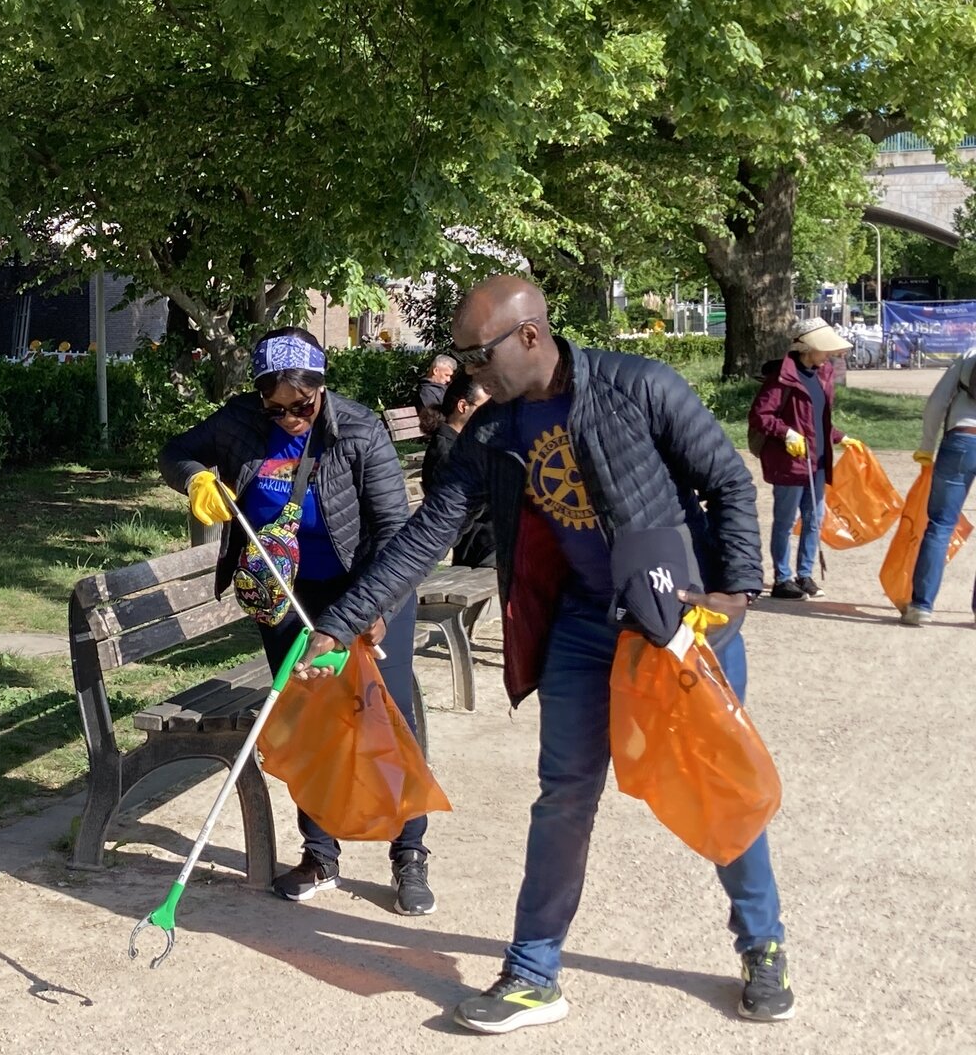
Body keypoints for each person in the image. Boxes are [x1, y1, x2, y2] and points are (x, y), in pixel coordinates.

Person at [301, 276, 793, 1033]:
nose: (469, 373)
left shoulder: (640, 386)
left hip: (675, 622)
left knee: (715, 780)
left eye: (478, 354)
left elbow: (727, 480)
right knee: (563, 796)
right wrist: (342, 621)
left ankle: (762, 943)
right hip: (582, 630)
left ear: (529, 335)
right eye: (461, 357)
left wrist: (735, 591)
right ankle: (533, 971)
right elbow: (427, 535)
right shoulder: (493, 432)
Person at [159, 327, 435, 915]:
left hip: (366, 592)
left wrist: (373, 612)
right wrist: (195, 478)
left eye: (300, 405)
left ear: (321, 387)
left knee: (387, 720)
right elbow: (175, 450)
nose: (288, 416)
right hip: (284, 595)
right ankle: (320, 855)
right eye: (274, 405)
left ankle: (408, 854)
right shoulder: (238, 423)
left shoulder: (359, 430)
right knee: (307, 721)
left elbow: (395, 532)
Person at [748, 318, 861, 600]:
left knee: (814, 519)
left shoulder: (824, 375)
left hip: (819, 459)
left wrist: (839, 436)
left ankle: (805, 574)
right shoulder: (782, 377)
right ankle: (782, 578)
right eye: (824, 349)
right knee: (785, 521)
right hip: (790, 462)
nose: (828, 355)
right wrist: (786, 433)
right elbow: (761, 416)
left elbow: (818, 420)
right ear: (808, 348)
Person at [903, 345, 976, 626]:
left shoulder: (970, 355)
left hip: (961, 440)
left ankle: (922, 606)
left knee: (940, 526)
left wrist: (926, 446)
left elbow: (936, 403)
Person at [419, 376, 495, 567]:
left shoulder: (465, 443)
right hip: (481, 546)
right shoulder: (446, 451)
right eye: (485, 408)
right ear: (462, 406)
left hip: (491, 539)